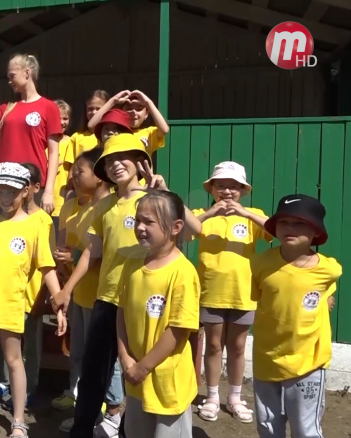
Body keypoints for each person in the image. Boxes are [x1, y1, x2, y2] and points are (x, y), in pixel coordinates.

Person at [55, 134, 201, 438]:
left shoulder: (153, 201)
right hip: (107, 298)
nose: (115, 165)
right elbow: (93, 253)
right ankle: (83, 429)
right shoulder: (105, 205)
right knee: (94, 371)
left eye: (123, 157)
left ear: (140, 162)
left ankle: (127, 427)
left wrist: (165, 192)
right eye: (108, 161)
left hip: (144, 302)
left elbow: (193, 230)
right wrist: (67, 289)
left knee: (139, 367)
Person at [0, 162, 67, 438]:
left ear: (26, 191)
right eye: (0, 191)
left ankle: (18, 421)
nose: (5, 197)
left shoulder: (35, 226)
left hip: (10, 302)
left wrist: (58, 302)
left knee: (14, 359)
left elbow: (47, 268)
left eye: (12, 192)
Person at [251, 194, 341, 438]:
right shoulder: (260, 264)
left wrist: (327, 296)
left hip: (308, 361)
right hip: (267, 358)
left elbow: (325, 286)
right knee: (268, 427)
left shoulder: (329, 269)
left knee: (305, 429)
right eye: (283, 222)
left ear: (316, 231)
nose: (289, 228)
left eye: (299, 223)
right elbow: (261, 296)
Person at [117, 190, 200, 437]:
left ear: (176, 227)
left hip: (167, 385)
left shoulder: (183, 273)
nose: (140, 228)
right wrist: (125, 358)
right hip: (135, 380)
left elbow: (178, 330)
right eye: (137, 220)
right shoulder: (132, 265)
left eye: (149, 222)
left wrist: (143, 367)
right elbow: (121, 313)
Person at [193, 161, 270, 424]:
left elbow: (274, 230)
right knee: (213, 345)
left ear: (243, 191)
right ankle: (212, 396)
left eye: (233, 187)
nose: (227, 192)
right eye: (221, 186)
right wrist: (210, 214)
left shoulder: (252, 215)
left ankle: (235, 397)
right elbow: (184, 231)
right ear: (212, 189)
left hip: (243, 293)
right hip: (211, 292)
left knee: (237, 347)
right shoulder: (202, 214)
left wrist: (245, 213)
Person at [52, 148, 112, 432]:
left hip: (102, 295)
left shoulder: (109, 208)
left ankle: (109, 411)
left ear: (99, 176)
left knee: (102, 359)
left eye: (80, 171)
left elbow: (96, 253)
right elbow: (72, 248)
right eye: (73, 171)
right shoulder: (79, 207)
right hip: (80, 292)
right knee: (79, 353)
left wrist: (72, 260)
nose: (74, 176)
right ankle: (83, 405)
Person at [0, 162, 53, 412]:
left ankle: (29, 387)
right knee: (4, 345)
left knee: (30, 345)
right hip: (6, 295)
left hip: (31, 296)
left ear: (34, 187)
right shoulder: (3, 218)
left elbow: (47, 262)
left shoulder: (43, 220)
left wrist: (44, 296)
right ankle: (5, 384)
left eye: (24, 185)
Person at [0, 54, 62, 216]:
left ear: (27, 73)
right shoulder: (5, 109)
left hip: (32, 185)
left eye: (12, 75)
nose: (9, 81)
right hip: (3, 184)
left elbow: (54, 152)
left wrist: (48, 191)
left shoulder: (49, 107)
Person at [88, 90, 169, 156]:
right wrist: (113, 100)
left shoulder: (148, 133)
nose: (133, 112)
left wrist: (148, 103)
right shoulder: (115, 131)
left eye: (139, 109)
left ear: (147, 114)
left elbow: (164, 130)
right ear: (121, 111)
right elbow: (91, 125)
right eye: (129, 108)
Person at [52, 100, 73, 229]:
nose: (61, 122)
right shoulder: (43, 142)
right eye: (57, 118)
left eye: (65, 118)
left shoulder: (71, 141)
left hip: (62, 199)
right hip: (43, 198)